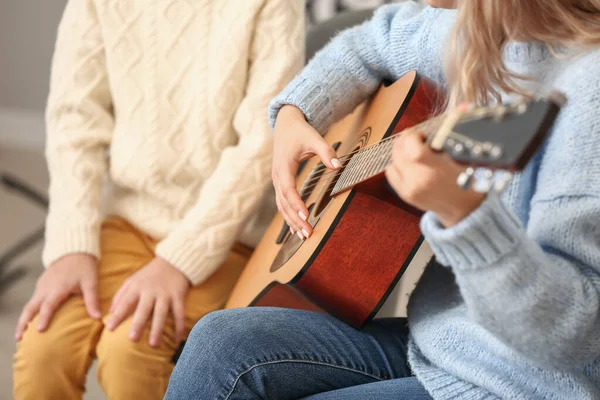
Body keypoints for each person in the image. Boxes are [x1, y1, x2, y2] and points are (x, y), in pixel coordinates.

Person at [164, 0, 600, 399]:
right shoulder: (477, 29)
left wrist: (465, 217)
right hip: (440, 341)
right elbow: (369, 41)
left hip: (522, 384)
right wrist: (297, 113)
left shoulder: (588, 90)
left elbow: (572, 334)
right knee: (221, 341)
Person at [12, 1, 304, 399]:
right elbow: (74, 122)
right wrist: (71, 247)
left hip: (227, 234)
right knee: (44, 345)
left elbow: (261, 143)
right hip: (129, 221)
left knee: (132, 349)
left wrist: (178, 261)